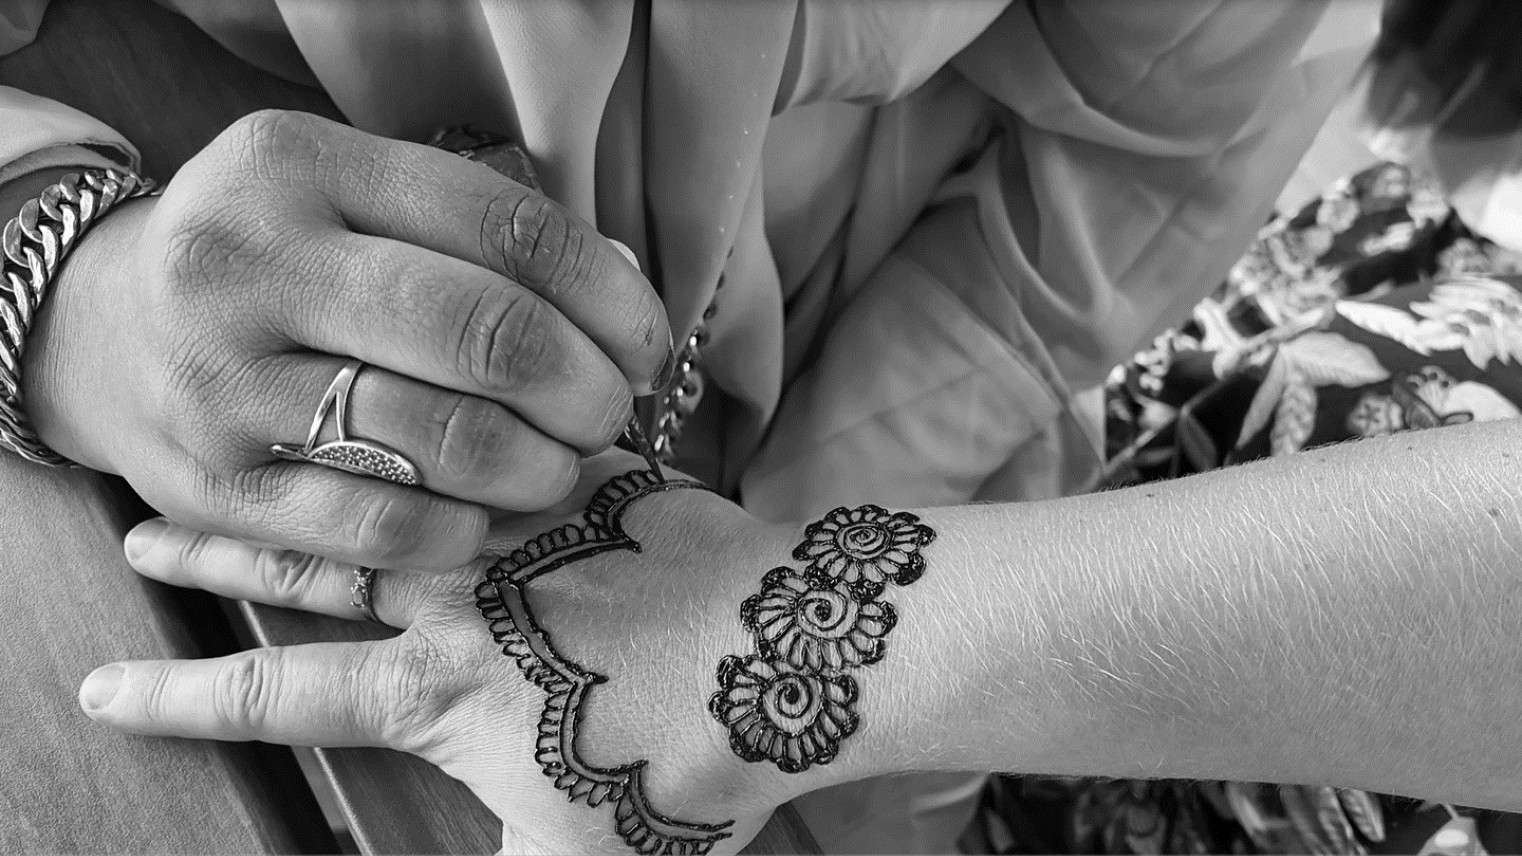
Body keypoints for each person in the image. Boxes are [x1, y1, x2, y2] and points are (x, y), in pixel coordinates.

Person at [1, 0, 1463, 852]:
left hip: (849, 380)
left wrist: (795, 539)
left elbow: (1138, 162)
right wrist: (53, 273)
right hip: (180, 234)